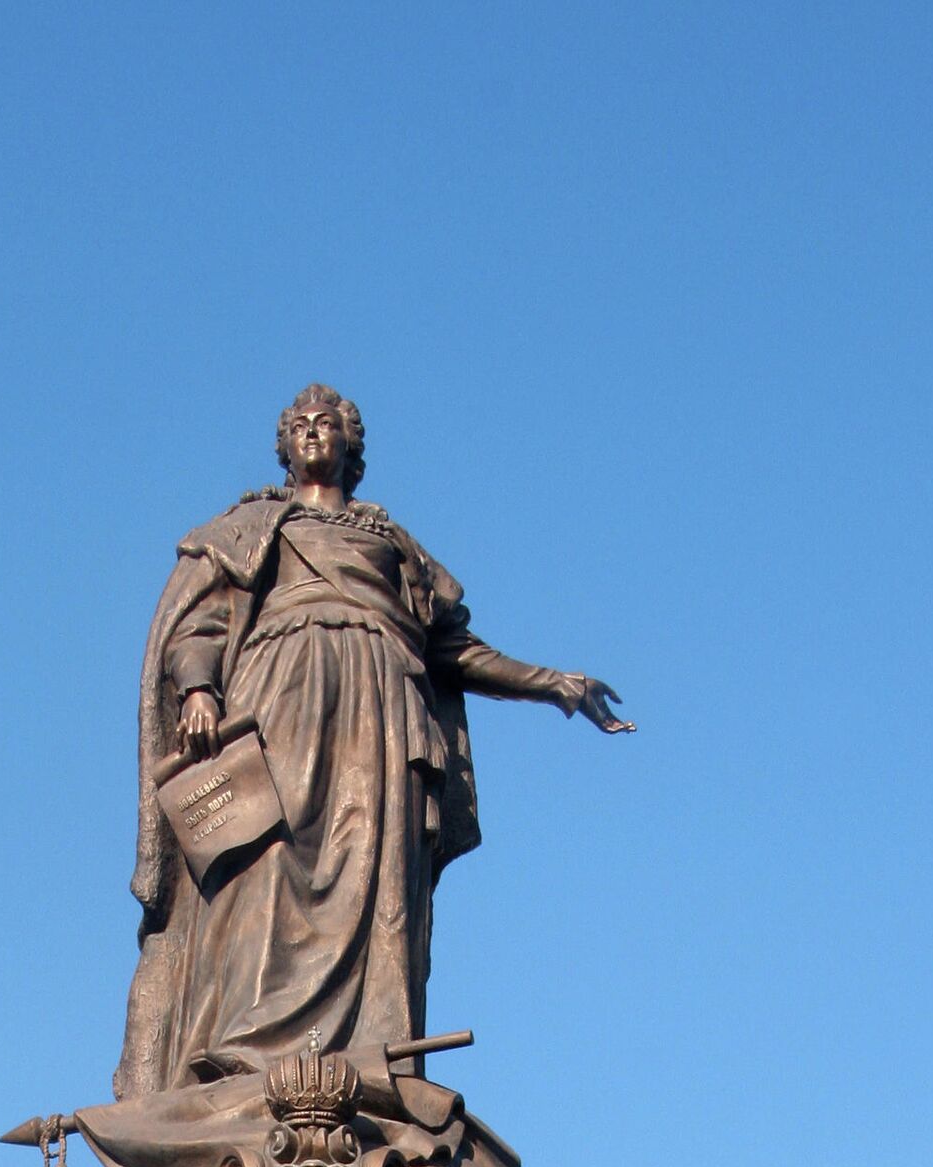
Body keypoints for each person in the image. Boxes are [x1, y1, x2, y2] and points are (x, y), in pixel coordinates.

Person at [117, 384, 631, 1100]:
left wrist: (553, 684)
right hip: (279, 698)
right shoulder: (252, 527)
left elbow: (453, 649)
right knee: (265, 864)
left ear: (353, 447)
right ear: (283, 447)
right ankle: (241, 1049)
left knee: (375, 873)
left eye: (329, 423)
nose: (313, 432)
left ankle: (370, 1053)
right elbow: (200, 622)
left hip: (381, 714)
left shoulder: (393, 544)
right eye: (298, 424)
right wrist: (201, 687)